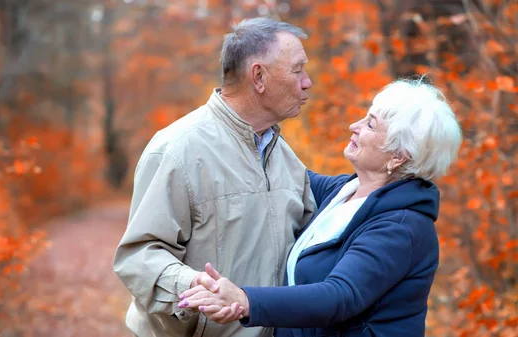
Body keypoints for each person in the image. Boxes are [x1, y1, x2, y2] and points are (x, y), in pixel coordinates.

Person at [178, 78, 463, 337]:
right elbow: (280, 172)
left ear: (399, 157)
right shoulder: (342, 192)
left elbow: (339, 296)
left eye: (371, 125)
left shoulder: (401, 227)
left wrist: (245, 300)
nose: (355, 126)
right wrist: (245, 116)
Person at [113, 17, 317, 337]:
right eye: (297, 70)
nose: (307, 82)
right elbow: (139, 257)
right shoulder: (177, 151)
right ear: (259, 76)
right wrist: (193, 286)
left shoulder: (287, 159)